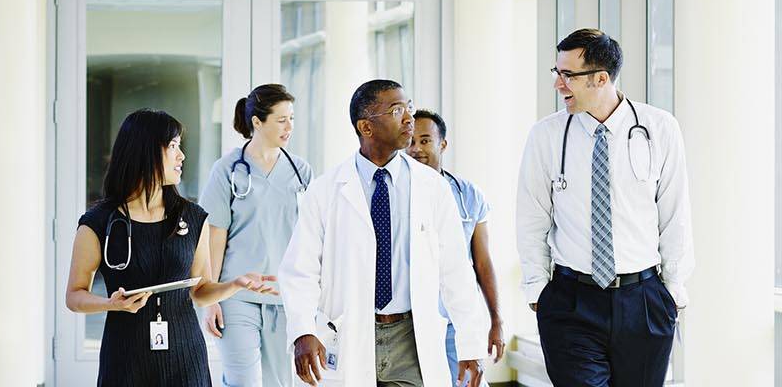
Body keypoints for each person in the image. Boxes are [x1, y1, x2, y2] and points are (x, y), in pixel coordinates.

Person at [280, 80, 490, 387]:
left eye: (409, 108)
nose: (408, 118)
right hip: (348, 332)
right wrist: (302, 331)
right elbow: (300, 271)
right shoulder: (325, 190)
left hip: (411, 337)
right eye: (396, 111)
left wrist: (471, 346)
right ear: (366, 127)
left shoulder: (432, 188)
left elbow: (456, 270)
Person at [517, 28, 696, 386]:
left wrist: (672, 290)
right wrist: (538, 289)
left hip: (643, 300)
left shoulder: (659, 129)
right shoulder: (546, 136)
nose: (559, 84)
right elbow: (532, 217)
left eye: (568, 75)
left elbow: (674, 215)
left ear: (601, 78)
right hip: (571, 301)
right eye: (557, 73)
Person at [64, 108, 278, 386]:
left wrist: (236, 284)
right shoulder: (99, 223)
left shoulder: (192, 217)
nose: (182, 156)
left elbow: (201, 292)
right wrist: (110, 304)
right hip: (126, 360)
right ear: (146, 151)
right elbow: (74, 296)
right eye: (173, 146)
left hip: (185, 357)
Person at [199, 84, 313, 387]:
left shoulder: (301, 171)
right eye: (281, 120)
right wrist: (211, 298)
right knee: (243, 381)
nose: (289, 127)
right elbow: (215, 237)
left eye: (291, 118)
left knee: (279, 381)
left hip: (283, 295)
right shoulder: (226, 170)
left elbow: (311, 238)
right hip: (235, 294)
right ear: (257, 122)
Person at [406, 109, 507, 383]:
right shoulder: (394, 192)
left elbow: (483, 263)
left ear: (443, 144)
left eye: (425, 141)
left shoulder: (468, 196)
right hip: (409, 323)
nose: (416, 149)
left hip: (455, 321)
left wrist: (496, 320)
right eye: (410, 141)